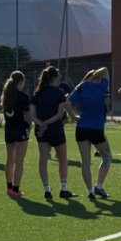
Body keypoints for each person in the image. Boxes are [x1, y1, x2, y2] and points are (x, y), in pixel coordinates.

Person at [68, 68, 112, 199]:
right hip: (96, 130)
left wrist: (73, 117)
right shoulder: (101, 87)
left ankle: (90, 191)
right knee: (107, 158)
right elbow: (105, 69)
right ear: (97, 78)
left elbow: (67, 103)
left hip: (81, 128)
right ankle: (99, 186)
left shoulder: (81, 87)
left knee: (85, 162)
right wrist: (93, 78)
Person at [30, 66, 73, 200]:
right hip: (55, 129)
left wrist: (42, 124)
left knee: (43, 159)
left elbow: (32, 115)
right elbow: (59, 114)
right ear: (54, 78)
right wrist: (46, 124)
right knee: (62, 159)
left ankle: (46, 189)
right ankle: (63, 189)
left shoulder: (37, 93)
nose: (60, 78)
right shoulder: (59, 92)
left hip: (41, 130)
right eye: (59, 75)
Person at [1, 71, 31, 197]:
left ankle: (9, 187)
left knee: (10, 159)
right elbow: (28, 116)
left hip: (9, 130)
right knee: (19, 161)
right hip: (20, 129)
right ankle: (16, 189)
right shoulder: (23, 97)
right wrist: (29, 127)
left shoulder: (6, 95)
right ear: (20, 82)